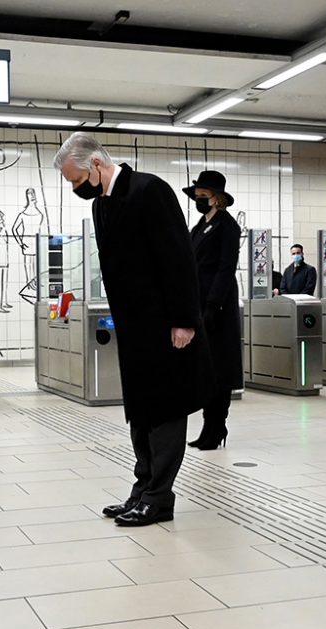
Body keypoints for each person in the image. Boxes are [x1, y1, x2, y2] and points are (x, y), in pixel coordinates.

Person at [53, 132, 212, 527]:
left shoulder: (149, 191)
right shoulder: (102, 206)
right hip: (135, 326)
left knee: (166, 411)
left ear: (95, 165)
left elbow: (178, 259)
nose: (75, 188)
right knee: (140, 412)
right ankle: (142, 490)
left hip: (165, 325)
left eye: (75, 180)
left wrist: (183, 320)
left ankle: (159, 497)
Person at [182, 171, 242, 451]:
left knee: (220, 366)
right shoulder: (199, 226)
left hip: (217, 303)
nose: (198, 200)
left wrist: (213, 304)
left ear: (216, 198)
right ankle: (209, 425)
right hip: (198, 299)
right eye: (196, 196)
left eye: (203, 196)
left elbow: (225, 268)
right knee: (206, 368)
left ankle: (217, 426)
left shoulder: (227, 226)